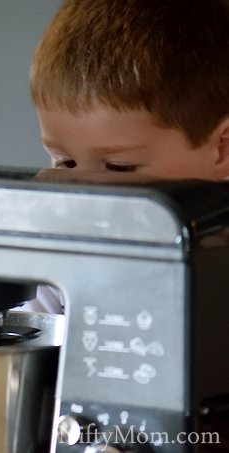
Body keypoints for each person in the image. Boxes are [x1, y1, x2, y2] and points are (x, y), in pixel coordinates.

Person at [19, 0, 229, 314]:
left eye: (119, 168)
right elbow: (33, 337)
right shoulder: (57, 247)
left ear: (222, 148)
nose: (84, 196)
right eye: (66, 163)